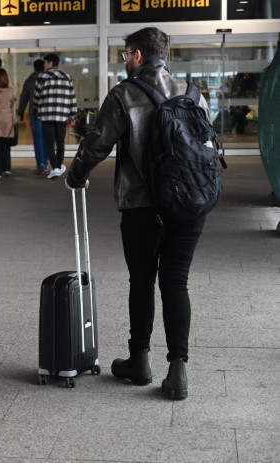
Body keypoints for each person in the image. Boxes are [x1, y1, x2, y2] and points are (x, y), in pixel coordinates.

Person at [65, 27, 212, 400]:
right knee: (176, 282)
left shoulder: (125, 93)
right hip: (191, 204)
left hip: (142, 206)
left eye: (126, 54)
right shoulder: (195, 95)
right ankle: (178, 370)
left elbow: (97, 143)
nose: (124, 60)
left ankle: (139, 360)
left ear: (138, 56)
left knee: (142, 281)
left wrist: (75, 175)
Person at [33, 53, 77, 179]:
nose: (44, 65)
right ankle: (59, 165)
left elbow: (36, 97)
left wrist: (36, 111)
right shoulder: (67, 77)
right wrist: (72, 115)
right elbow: (71, 97)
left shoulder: (42, 77)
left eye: (45, 63)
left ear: (50, 63)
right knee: (60, 141)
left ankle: (55, 167)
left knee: (49, 143)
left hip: (46, 115)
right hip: (62, 115)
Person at [17, 59, 48, 174]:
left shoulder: (29, 80)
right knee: (47, 139)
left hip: (35, 114)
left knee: (38, 139)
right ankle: (46, 161)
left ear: (34, 68)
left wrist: (20, 113)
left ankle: (41, 163)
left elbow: (24, 98)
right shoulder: (48, 79)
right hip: (48, 114)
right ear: (44, 67)